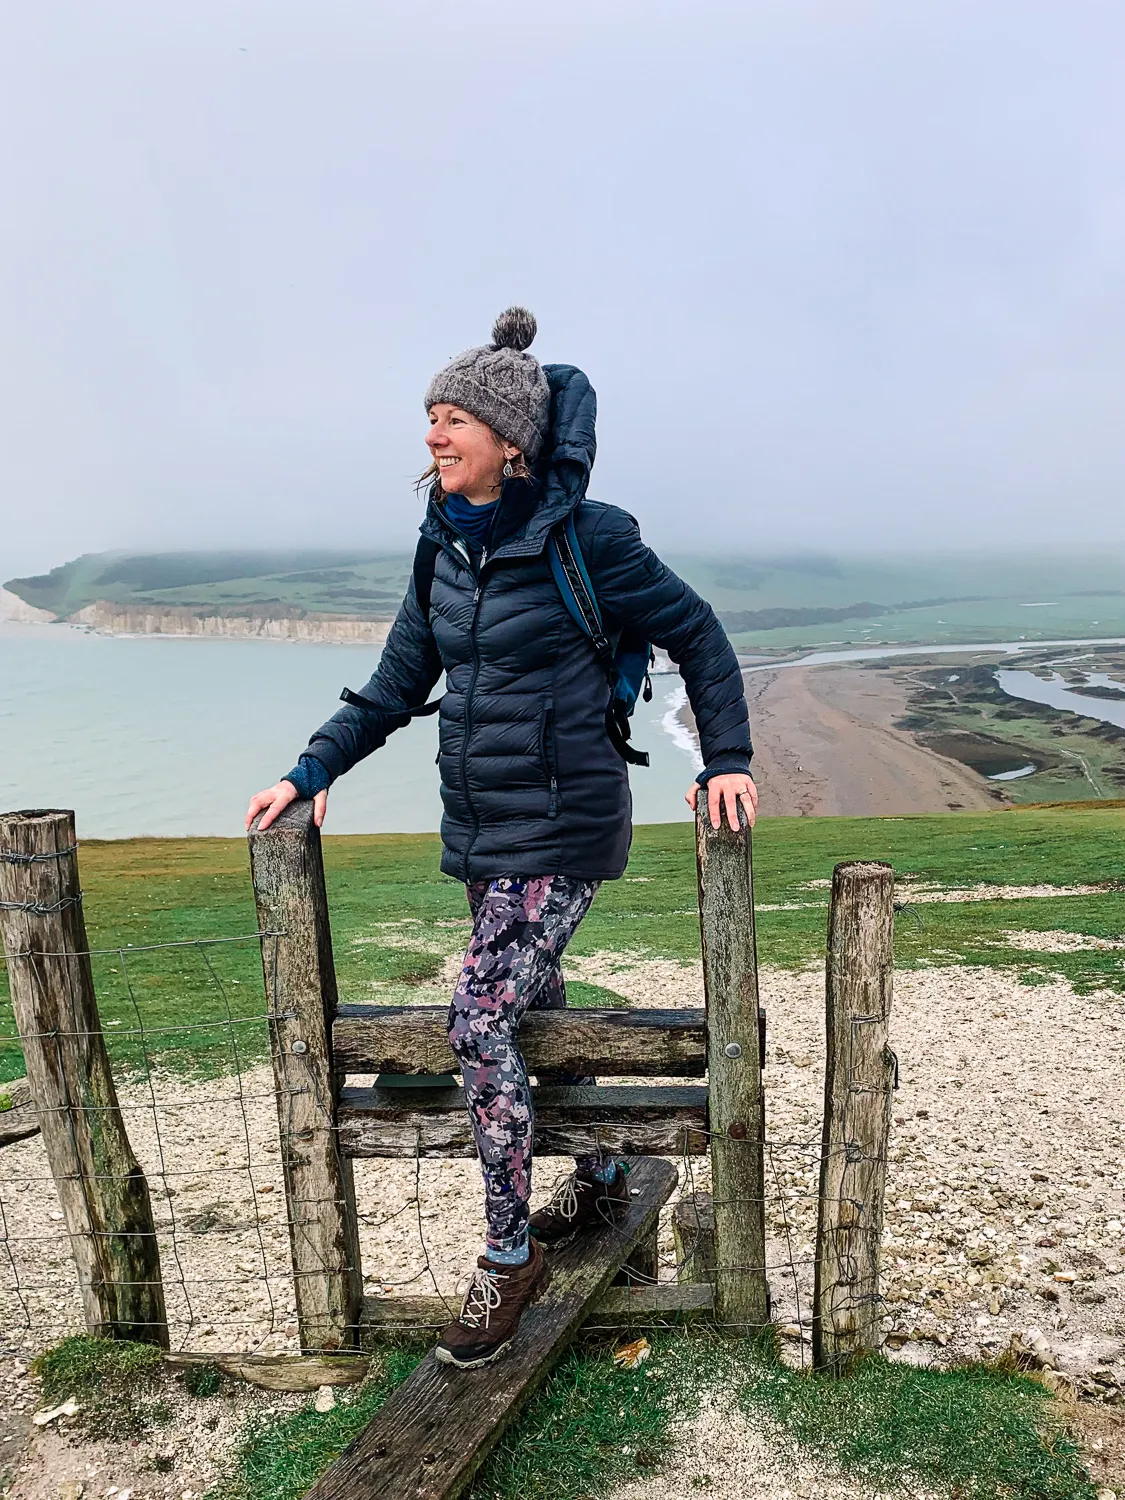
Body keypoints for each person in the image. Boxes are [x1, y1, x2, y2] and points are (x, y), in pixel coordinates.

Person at [246, 308, 757, 1369]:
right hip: (483, 830)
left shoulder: (591, 538)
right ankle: (607, 1172)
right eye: (428, 419)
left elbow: (697, 632)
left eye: (451, 420)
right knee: (538, 997)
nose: (431, 437)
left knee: (476, 1019)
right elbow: (397, 684)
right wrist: (313, 768)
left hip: (566, 825)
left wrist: (729, 760)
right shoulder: (441, 544)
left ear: (509, 439)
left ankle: (508, 1254)